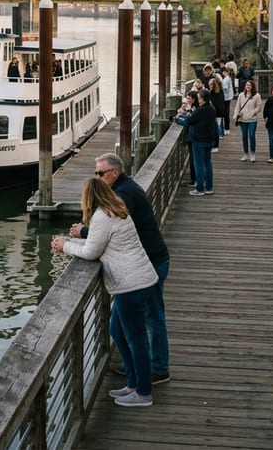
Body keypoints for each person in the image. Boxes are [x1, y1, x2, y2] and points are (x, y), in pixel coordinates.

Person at [52, 178, 159, 407]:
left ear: (89, 197)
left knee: (136, 339)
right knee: (117, 331)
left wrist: (65, 246)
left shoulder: (102, 217)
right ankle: (133, 384)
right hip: (138, 280)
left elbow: (91, 252)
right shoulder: (115, 211)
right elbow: (97, 243)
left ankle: (143, 393)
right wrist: (70, 240)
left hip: (132, 285)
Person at [70, 153, 172, 385]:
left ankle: (158, 370)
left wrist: (82, 234)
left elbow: (111, 227)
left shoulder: (124, 194)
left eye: (100, 173)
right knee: (122, 326)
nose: (97, 177)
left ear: (115, 173)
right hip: (142, 265)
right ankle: (138, 371)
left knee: (153, 319)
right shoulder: (123, 189)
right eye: (95, 173)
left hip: (149, 264)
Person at [175, 89, 215, 196]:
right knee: (208, 163)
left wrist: (177, 119)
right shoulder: (212, 109)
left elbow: (189, 121)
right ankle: (209, 187)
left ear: (202, 99)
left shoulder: (200, 110)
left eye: (199, 98)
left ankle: (199, 188)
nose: (198, 100)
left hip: (198, 140)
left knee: (199, 164)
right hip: (209, 139)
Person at [233, 79, 262, 162]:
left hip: (252, 119)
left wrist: (253, 112)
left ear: (252, 86)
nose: (248, 86)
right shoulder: (241, 95)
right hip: (243, 119)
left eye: (249, 85)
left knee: (252, 136)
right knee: (244, 136)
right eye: (247, 85)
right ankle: (245, 154)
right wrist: (235, 116)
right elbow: (237, 106)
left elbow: (259, 107)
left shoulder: (257, 95)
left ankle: (252, 153)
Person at [207, 77, 225, 149]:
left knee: (216, 126)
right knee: (218, 124)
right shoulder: (220, 91)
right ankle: (220, 135)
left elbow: (214, 103)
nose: (209, 86)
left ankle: (218, 138)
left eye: (210, 85)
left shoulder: (212, 93)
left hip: (216, 112)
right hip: (220, 111)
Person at [220, 68, 235, 135]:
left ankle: (226, 128)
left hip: (225, 98)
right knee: (226, 113)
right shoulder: (228, 78)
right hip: (228, 98)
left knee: (225, 113)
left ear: (225, 72)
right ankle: (226, 128)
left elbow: (224, 88)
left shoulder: (226, 79)